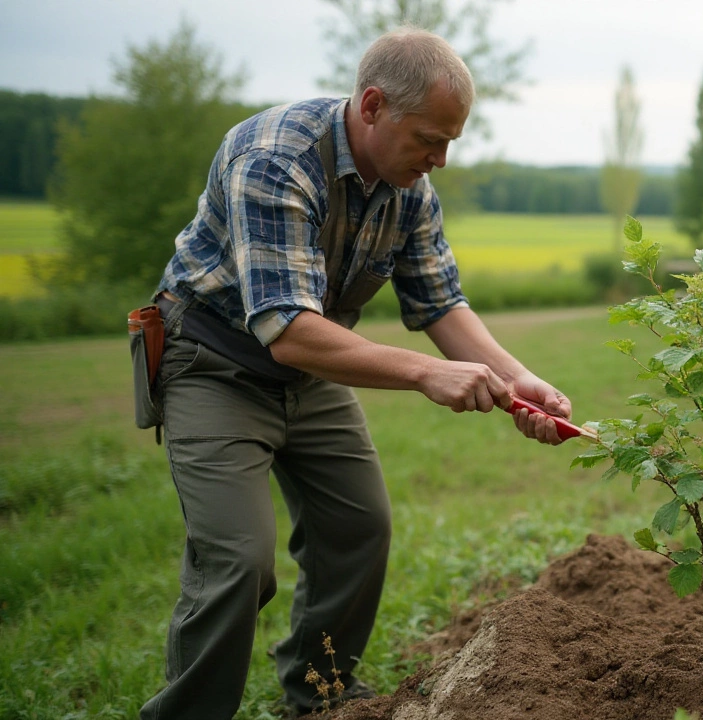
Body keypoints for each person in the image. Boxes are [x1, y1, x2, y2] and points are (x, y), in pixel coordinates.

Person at [138, 27, 570, 720]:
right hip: (214, 364)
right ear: (372, 106)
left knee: (359, 526)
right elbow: (283, 328)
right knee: (239, 564)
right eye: (431, 138)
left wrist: (519, 379)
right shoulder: (275, 158)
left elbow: (439, 302)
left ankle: (321, 693)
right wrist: (429, 375)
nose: (442, 159)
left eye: (452, 140)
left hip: (313, 369)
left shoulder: (410, 186)